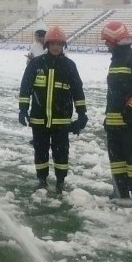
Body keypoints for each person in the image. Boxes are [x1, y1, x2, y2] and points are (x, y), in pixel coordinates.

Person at [18, 26, 87, 194]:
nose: (56, 47)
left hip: (61, 120)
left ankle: (60, 181)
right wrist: (23, 109)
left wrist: (82, 113)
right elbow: (25, 87)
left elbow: (78, 90)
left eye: (60, 44)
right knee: (40, 151)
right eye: (53, 44)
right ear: (47, 44)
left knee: (61, 153)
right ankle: (41, 180)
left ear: (63, 46)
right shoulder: (36, 64)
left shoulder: (69, 65)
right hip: (39, 119)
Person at [100, 21, 132, 208]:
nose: (105, 45)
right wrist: (109, 116)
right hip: (116, 118)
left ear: (114, 41)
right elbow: (114, 92)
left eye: (107, 41)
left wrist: (131, 108)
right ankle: (121, 191)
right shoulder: (117, 59)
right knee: (117, 158)